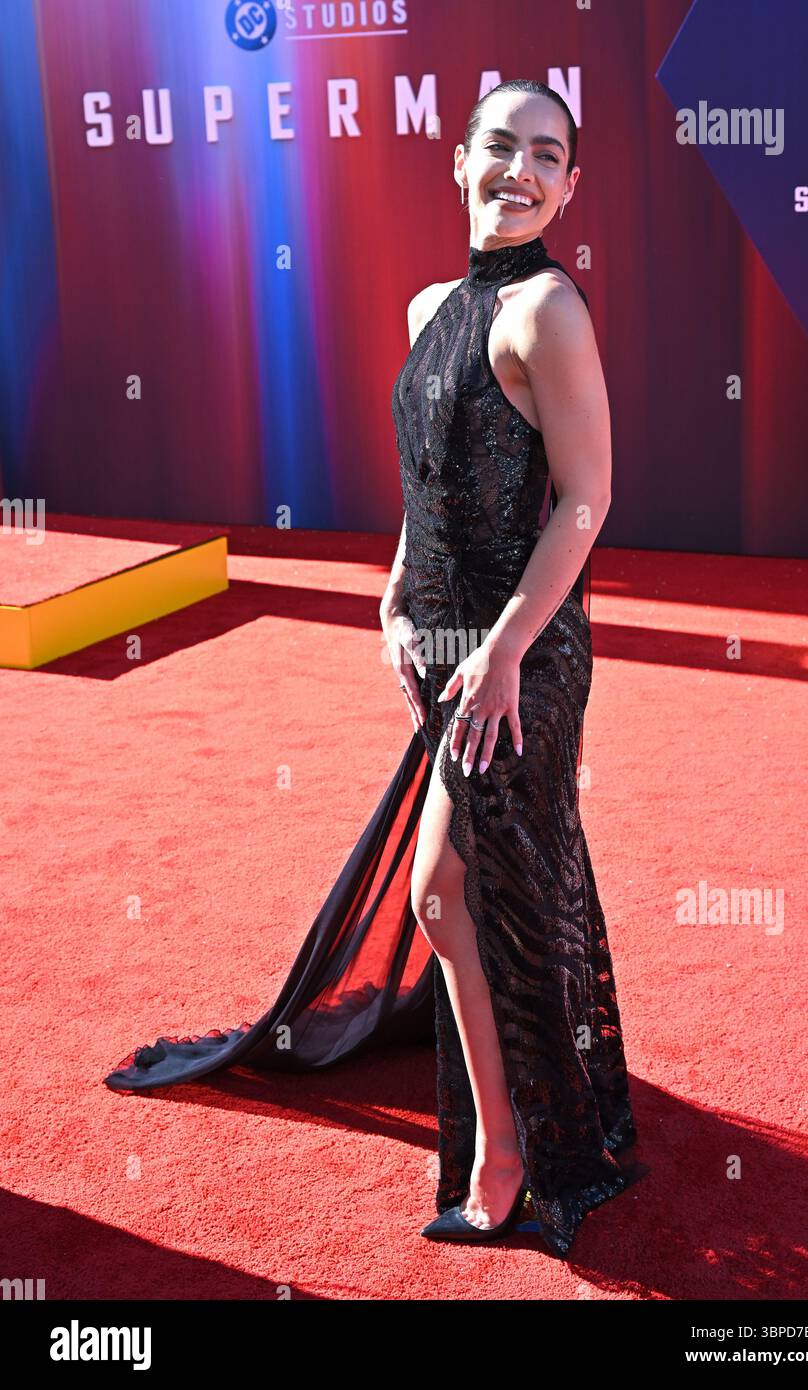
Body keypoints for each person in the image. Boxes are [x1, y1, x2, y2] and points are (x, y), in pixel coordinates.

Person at [104, 79, 649, 1261]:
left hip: (526, 649)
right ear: (459, 158)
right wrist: (395, 592)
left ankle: (510, 1152)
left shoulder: (549, 310)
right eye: (500, 146)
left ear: (571, 186)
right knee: (490, 883)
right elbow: (429, 483)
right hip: (447, 648)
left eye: (547, 157)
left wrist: (503, 650)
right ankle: (548, 1106)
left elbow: (586, 501)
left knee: (444, 889)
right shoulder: (427, 308)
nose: (522, 171)